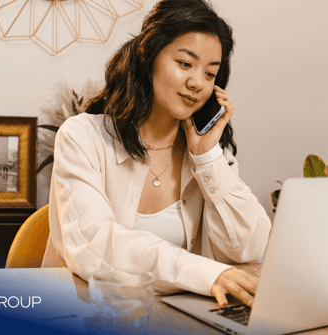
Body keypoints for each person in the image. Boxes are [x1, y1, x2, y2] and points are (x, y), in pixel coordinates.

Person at [42, 0, 271, 308]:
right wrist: (207, 274)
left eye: (210, 74)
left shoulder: (208, 153)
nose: (196, 83)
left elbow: (248, 249)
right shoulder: (82, 136)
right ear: (149, 57)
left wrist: (206, 158)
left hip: (181, 319)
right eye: (185, 64)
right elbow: (96, 246)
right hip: (84, 315)